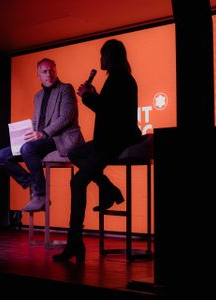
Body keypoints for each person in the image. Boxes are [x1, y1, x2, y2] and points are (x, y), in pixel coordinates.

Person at [53, 39, 142, 262]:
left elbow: (109, 112)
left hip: (115, 141)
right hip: (108, 139)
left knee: (78, 182)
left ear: (111, 57)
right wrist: (93, 95)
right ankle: (110, 189)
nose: (100, 60)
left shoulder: (121, 80)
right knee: (74, 153)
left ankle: (74, 243)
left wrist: (88, 96)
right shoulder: (117, 79)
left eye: (103, 55)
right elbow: (109, 108)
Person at [0, 58, 84, 212]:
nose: (48, 74)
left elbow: (66, 118)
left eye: (51, 70)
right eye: (44, 71)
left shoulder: (65, 89)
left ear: (56, 71)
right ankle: (32, 183)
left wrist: (43, 134)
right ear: (38, 75)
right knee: (1, 156)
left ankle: (41, 195)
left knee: (28, 149)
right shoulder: (38, 96)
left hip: (59, 139)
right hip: (39, 140)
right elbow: (36, 122)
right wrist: (26, 134)